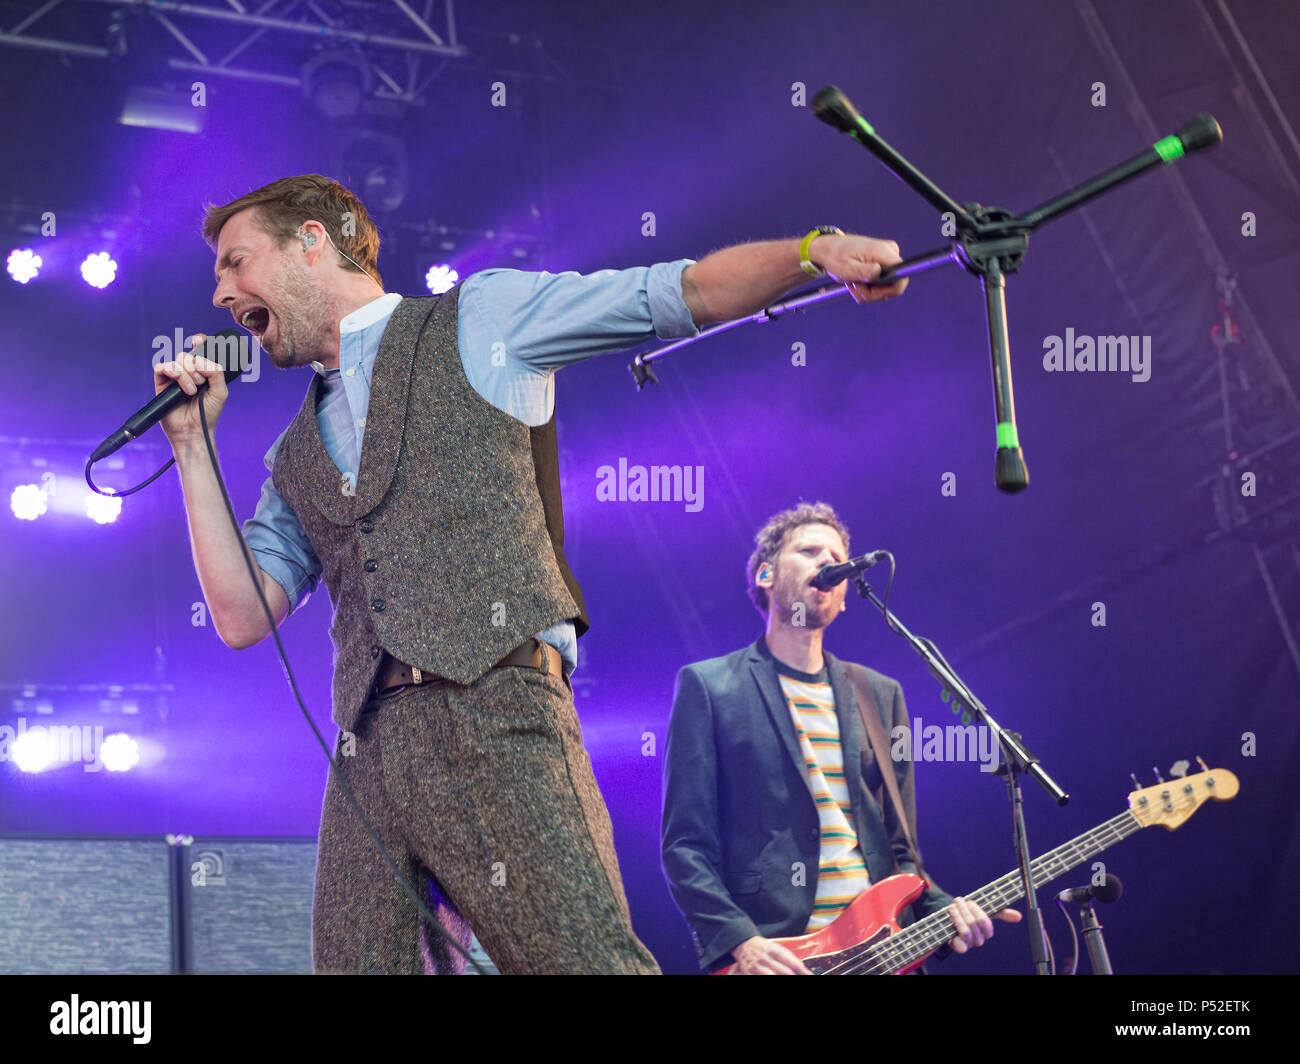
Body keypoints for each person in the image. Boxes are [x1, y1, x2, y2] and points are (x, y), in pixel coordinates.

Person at [154, 173, 909, 974]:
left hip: (498, 710)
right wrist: (191, 448)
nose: (221, 292)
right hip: (366, 752)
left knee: (581, 962)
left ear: (312, 240)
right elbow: (241, 616)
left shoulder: (481, 318)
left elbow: (677, 292)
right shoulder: (294, 455)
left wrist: (812, 253)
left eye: (236, 263)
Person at [661, 502, 1021, 974]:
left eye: (835, 555)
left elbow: (900, 850)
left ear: (847, 596)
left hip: (881, 953)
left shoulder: (880, 695)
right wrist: (739, 941)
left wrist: (944, 908)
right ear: (766, 575)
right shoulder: (710, 687)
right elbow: (685, 845)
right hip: (779, 955)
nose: (827, 563)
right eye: (810, 550)